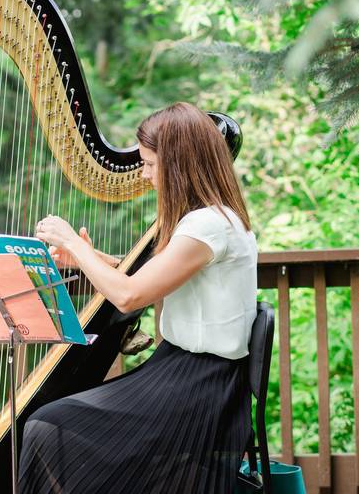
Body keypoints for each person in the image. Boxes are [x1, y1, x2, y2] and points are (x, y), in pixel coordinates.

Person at [21, 101, 258, 493]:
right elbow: (149, 275)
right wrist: (85, 256)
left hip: (198, 389)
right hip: (183, 373)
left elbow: (129, 296)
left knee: (47, 425)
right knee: (53, 425)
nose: (144, 174)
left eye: (149, 163)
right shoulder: (211, 220)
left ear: (179, 163)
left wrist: (72, 244)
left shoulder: (208, 226)